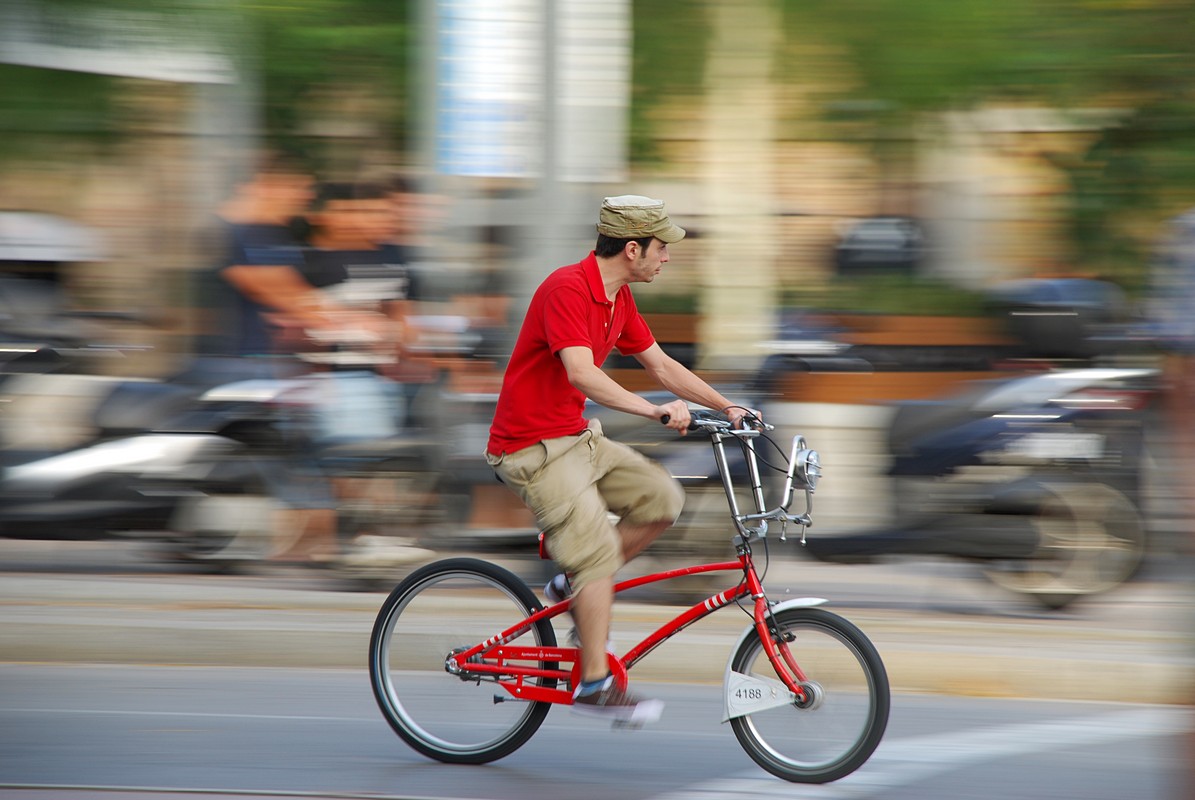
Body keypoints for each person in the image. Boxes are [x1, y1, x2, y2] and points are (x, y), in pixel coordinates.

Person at [484, 195, 756, 725]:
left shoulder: (618, 298)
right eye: (662, 248)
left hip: (575, 438)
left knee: (662, 499)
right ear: (632, 249)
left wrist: (727, 406)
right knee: (594, 555)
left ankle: (573, 585)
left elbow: (661, 364)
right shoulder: (567, 288)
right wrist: (655, 413)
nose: (667, 257)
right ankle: (593, 682)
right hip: (531, 448)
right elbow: (581, 373)